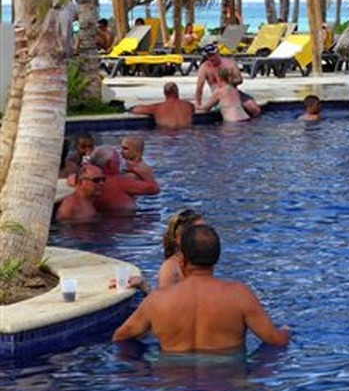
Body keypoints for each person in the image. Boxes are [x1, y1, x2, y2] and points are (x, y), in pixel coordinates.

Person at [113, 224, 290, 353]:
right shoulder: (239, 295)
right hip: (226, 385)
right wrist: (287, 331)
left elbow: (120, 337)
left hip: (173, 386)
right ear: (216, 258)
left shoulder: (158, 299)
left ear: (182, 261)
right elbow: (275, 340)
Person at [91, 143, 160, 214]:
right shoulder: (120, 182)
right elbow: (154, 189)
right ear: (109, 164)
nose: (120, 163)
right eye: (117, 161)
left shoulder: (89, 180)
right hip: (125, 220)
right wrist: (143, 173)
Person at [195, 44, 261, 116]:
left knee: (254, 108)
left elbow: (240, 79)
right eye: (208, 56)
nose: (211, 58)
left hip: (233, 92)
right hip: (216, 95)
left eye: (212, 55)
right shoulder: (204, 67)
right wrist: (198, 103)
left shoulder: (230, 63)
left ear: (218, 53)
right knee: (205, 111)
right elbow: (199, 87)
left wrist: (229, 81)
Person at [157, 209, 206, 289]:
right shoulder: (170, 269)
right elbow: (163, 299)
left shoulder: (199, 263)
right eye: (199, 232)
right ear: (179, 238)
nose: (206, 236)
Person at [129, 81, 195, 129]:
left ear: (164, 93)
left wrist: (131, 108)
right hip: (186, 134)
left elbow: (136, 110)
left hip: (166, 135)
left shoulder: (158, 108)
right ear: (177, 92)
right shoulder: (189, 106)